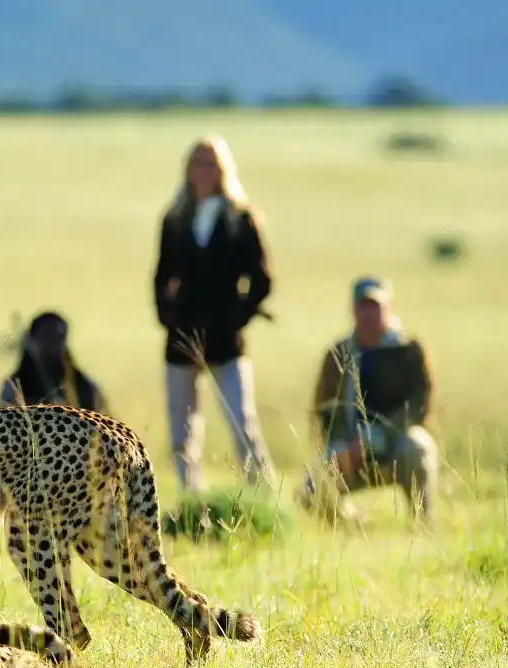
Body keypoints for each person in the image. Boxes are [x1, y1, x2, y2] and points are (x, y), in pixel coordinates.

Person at [153, 135, 276, 493]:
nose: (205, 171)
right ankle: (193, 501)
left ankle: (263, 498)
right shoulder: (175, 219)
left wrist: (237, 315)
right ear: (188, 170)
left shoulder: (240, 219)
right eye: (199, 163)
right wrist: (168, 316)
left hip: (226, 339)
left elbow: (262, 278)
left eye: (212, 164)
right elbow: (161, 276)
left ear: (223, 171)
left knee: (242, 423)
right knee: (182, 428)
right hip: (182, 337)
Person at [297, 276, 438, 523]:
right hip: (350, 452)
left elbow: (421, 404)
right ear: (353, 310)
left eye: (376, 306)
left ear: (389, 308)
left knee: (419, 447)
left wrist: (377, 438)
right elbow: (324, 410)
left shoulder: (409, 351)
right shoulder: (337, 355)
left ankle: (422, 524)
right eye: (364, 307)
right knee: (310, 489)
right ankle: (349, 527)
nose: (369, 314)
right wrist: (339, 448)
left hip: (396, 445)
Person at [0, 310, 111, 415]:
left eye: (59, 339)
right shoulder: (14, 388)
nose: (54, 346)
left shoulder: (86, 389)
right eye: (47, 338)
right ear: (33, 342)